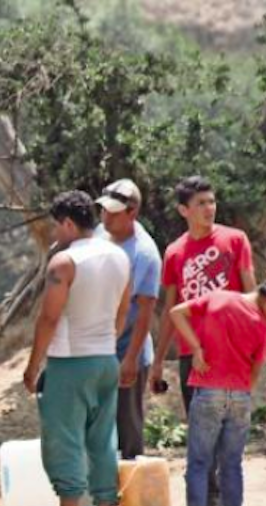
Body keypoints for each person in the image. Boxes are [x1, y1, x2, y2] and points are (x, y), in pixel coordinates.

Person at [148, 176, 266, 506]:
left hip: (234, 350)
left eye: (212, 202)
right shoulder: (175, 252)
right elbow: (170, 309)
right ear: (184, 210)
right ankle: (206, 503)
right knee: (200, 428)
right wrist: (156, 361)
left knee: (229, 427)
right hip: (194, 353)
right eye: (201, 204)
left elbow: (256, 293)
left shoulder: (235, 240)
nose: (209, 209)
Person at [23, 191, 131, 506]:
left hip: (70, 361)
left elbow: (49, 318)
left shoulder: (64, 264)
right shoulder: (119, 256)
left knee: (63, 437)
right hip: (105, 358)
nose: (56, 234)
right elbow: (122, 311)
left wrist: (33, 365)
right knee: (102, 439)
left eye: (57, 226)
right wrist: (106, 343)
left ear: (68, 223)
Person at [169, 269, 266, 506]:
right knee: (232, 463)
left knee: (199, 461)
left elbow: (176, 312)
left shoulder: (218, 298)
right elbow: (255, 369)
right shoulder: (262, 325)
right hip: (240, 395)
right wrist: (245, 391)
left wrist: (196, 349)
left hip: (208, 389)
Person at [94, 179, 161, 459]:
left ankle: (130, 489)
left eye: (113, 212)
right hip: (97, 346)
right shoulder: (99, 234)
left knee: (127, 424)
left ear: (132, 213)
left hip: (126, 349)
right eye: (103, 210)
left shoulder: (144, 254)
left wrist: (131, 359)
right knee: (97, 422)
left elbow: (145, 312)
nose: (105, 217)